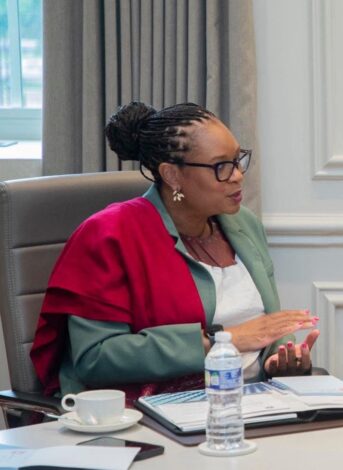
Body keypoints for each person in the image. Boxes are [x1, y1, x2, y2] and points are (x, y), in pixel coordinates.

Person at [31, 102, 319, 399]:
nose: (237, 175)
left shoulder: (243, 224)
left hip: (255, 401)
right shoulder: (109, 234)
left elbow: (263, 324)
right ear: (171, 175)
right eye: (221, 166)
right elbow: (96, 357)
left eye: (237, 159)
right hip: (153, 410)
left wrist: (278, 358)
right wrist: (223, 340)